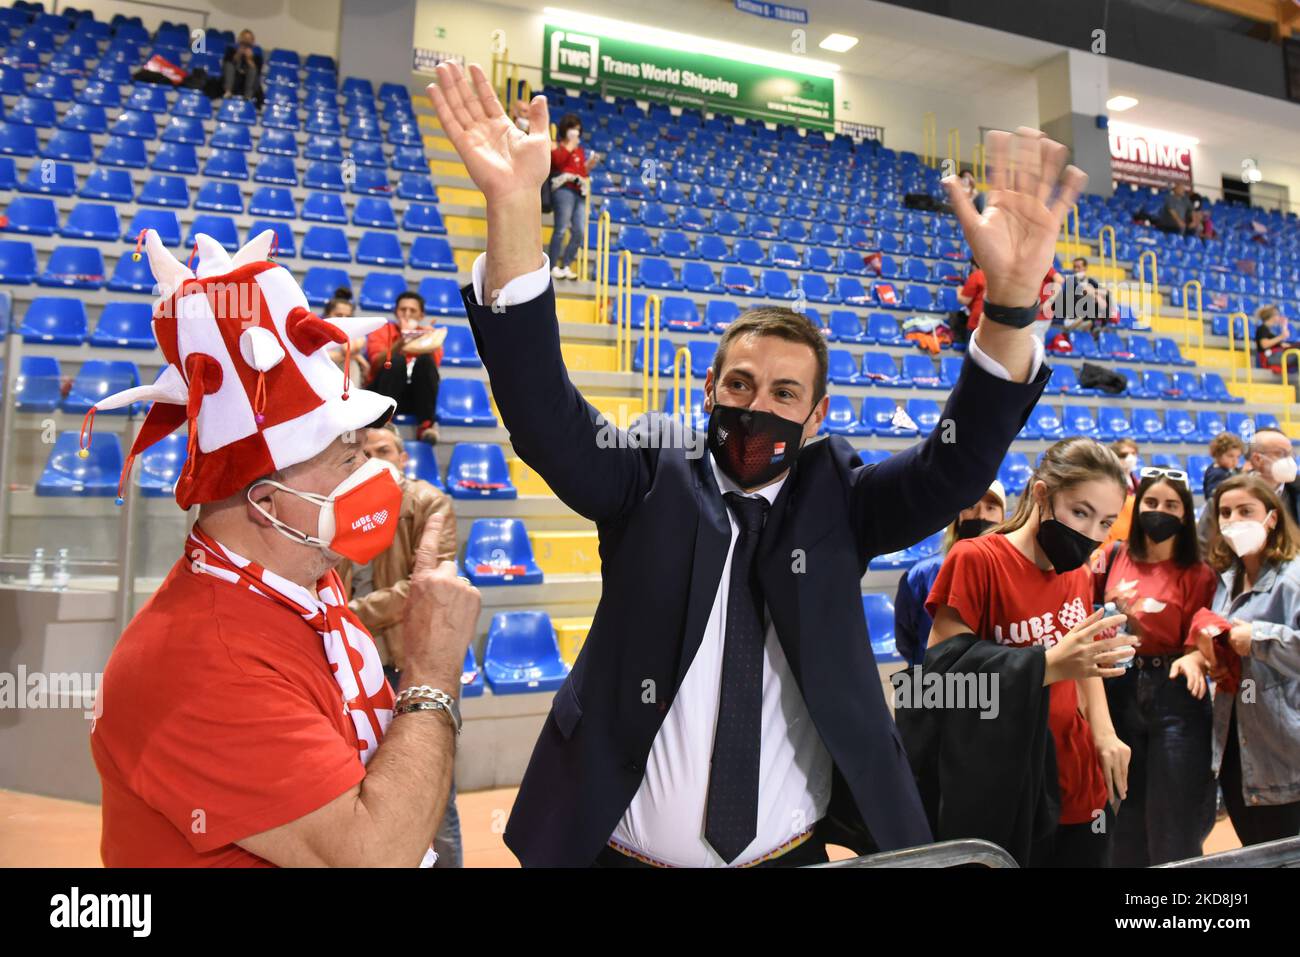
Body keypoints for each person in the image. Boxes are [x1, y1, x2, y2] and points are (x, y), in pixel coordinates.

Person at [429, 60, 1086, 867]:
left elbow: (956, 467)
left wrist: (1012, 303)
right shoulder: (645, 474)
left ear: (816, 415)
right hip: (617, 853)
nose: (758, 405)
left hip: (790, 853)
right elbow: (541, 416)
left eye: (784, 392)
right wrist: (512, 209)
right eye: (740, 383)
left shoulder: (843, 500)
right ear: (708, 388)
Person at [85, 230, 479, 866]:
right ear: (265, 504)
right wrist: (432, 672)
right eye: (347, 459)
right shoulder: (205, 663)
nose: (371, 477)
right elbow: (374, 854)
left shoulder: (303, 583)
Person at [924, 438, 1135, 867]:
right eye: (1080, 512)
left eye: (1105, 522)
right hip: (1007, 779)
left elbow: (1083, 659)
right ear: (1042, 494)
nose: (1091, 534)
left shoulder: (1076, 570)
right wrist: (1046, 665)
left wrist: (1104, 730)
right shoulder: (976, 559)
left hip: (1077, 771)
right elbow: (938, 685)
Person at [339, 424, 463, 867]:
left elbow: (426, 591)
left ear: (404, 456)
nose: (377, 460)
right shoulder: (346, 508)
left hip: (410, 666)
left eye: (386, 450)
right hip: (351, 666)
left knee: (432, 798)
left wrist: (348, 613)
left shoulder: (429, 503)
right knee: (364, 791)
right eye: (365, 454)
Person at [1092, 467, 1218, 865]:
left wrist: (1197, 655)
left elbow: (1206, 635)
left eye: (1171, 505)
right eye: (1151, 502)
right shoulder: (1113, 556)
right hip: (1119, 686)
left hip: (1174, 692)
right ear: (1137, 505)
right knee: (1123, 811)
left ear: (1185, 513)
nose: (1159, 511)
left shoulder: (1200, 574)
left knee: (1173, 817)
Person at [1193, 474, 1300, 846]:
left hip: (1286, 751)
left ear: (1271, 518)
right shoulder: (1227, 580)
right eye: (1225, 512)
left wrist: (1258, 639)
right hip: (1238, 744)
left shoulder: (1293, 579)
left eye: (1245, 511)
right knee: (1256, 850)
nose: (1234, 520)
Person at [894, 481, 1006, 666]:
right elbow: (906, 639)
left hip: (995, 684)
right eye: (971, 506)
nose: (981, 515)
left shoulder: (1011, 574)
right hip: (936, 684)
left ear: (1003, 517)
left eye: (991, 507)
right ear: (957, 516)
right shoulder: (921, 575)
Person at [365, 290, 443, 445]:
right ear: (396, 312)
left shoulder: (428, 333)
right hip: (383, 390)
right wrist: (402, 340)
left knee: (426, 360)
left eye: (412, 310)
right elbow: (376, 363)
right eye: (403, 309)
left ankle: (427, 425)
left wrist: (429, 340)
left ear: (421, 315)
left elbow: (433, 367)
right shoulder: (382, 331)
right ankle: (384, 422)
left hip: (413, 395)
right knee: (396, 360)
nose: (407, 314)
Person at [548, 112, 598, 281]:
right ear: (565, 130)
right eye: (572, 129)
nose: (576, 132)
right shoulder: (557, 145)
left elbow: (581, 172)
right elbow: (557, 162)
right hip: (563, 190)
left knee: (579, 231)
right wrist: (569, 145)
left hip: (579, 191)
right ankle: (552, 265)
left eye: (578, 129)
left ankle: (566, 265)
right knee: (561, 229)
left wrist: (589, 165)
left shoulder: (579, 150)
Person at [324, 287, 369, 389]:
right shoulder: (318, 332)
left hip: (347, 372)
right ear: (327, 315)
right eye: (339, 315)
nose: (343, 320)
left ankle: (350, 399)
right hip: (322, 374)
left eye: (348, 316)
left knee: (350, 363)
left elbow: (347, 349)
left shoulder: (359, 334)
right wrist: (357, 357)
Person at [221, 29, 262, 102]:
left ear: (252, 41)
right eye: (244, 38)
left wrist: (249, 59)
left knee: (253, 70)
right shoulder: (231, 49)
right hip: (234, 78)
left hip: (248, 80)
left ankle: (248, 96)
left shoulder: (257, 55)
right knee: (229, 65)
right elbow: (226, 63)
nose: (246, 42)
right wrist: (238, 54)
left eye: (249, 39)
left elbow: (258, 72)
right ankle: (228, 92)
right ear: (240, 39)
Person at [1254, 305, 1297, 374]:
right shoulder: (1263, 328)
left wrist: (1284, 326)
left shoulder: (1269, 331)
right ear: (1272, 317)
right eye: (1277, 315)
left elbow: (1284, 340)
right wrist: (1281, 337)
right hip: (1269, 358)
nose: (1279, 317)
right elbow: (1264, 344)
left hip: (1276, 355)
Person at [1203, 431, 1245, 500]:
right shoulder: (1216, 474)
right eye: (1230, 456)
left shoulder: (1226, 469)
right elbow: (1214, 496)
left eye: (1238, 457)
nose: (1235, 461)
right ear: (1218, 454)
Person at [956, 259, 986, 332]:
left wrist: (958, 291)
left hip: (977, 320)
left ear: (974, 265)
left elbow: (964, 300)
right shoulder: (996, 276)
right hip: (991, 320)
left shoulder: (976, 275)